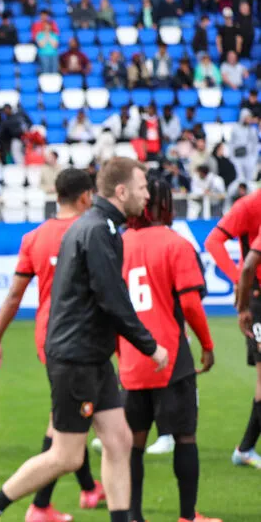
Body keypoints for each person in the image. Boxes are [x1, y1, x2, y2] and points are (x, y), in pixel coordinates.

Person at [0, 157, 168, 522]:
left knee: (118, 440)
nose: (147, 195)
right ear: (121, 191)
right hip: (76, 358)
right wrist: (150, 345)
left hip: (90, 356)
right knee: (67, 455)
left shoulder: (97, 225)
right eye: (142, 187)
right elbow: (111, 297)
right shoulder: (98, 229)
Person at [0, 168, 105, 522]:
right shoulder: (94, 232)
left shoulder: (35, 237)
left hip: (48, 337)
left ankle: (83, 491)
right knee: (73, 424)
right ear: (85, 197)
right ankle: (34, 506)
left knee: (74, 419)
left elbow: (14, 295)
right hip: (80, 341)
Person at [119, 174, 221, 522]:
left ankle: (133, 515)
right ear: (164, 204)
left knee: (132, 444)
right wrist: (207, 345)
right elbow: (191, 304)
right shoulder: (176, 244)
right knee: (185, 437)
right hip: (172, 359)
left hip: (132, 360)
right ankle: (187, 517)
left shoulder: (117, 244)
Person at [206, 188, 261, 468]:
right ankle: (245, 448)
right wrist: (241, 282)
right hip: (257, 296)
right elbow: (213, 241)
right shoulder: (248, 205)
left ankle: (246, 448)